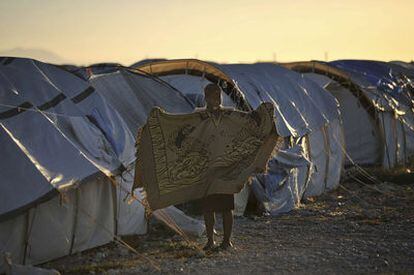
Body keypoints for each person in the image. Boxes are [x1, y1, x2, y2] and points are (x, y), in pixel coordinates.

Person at [199, 83, 235, 251]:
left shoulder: (229, 115)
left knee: (226, 207)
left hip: (225, 167)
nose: (216, 99)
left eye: (218, 96)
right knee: (208, 207)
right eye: (213, 96)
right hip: (206, 169)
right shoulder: (198, 116)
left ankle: (227, 241)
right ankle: (210, 240)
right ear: (206, 97)